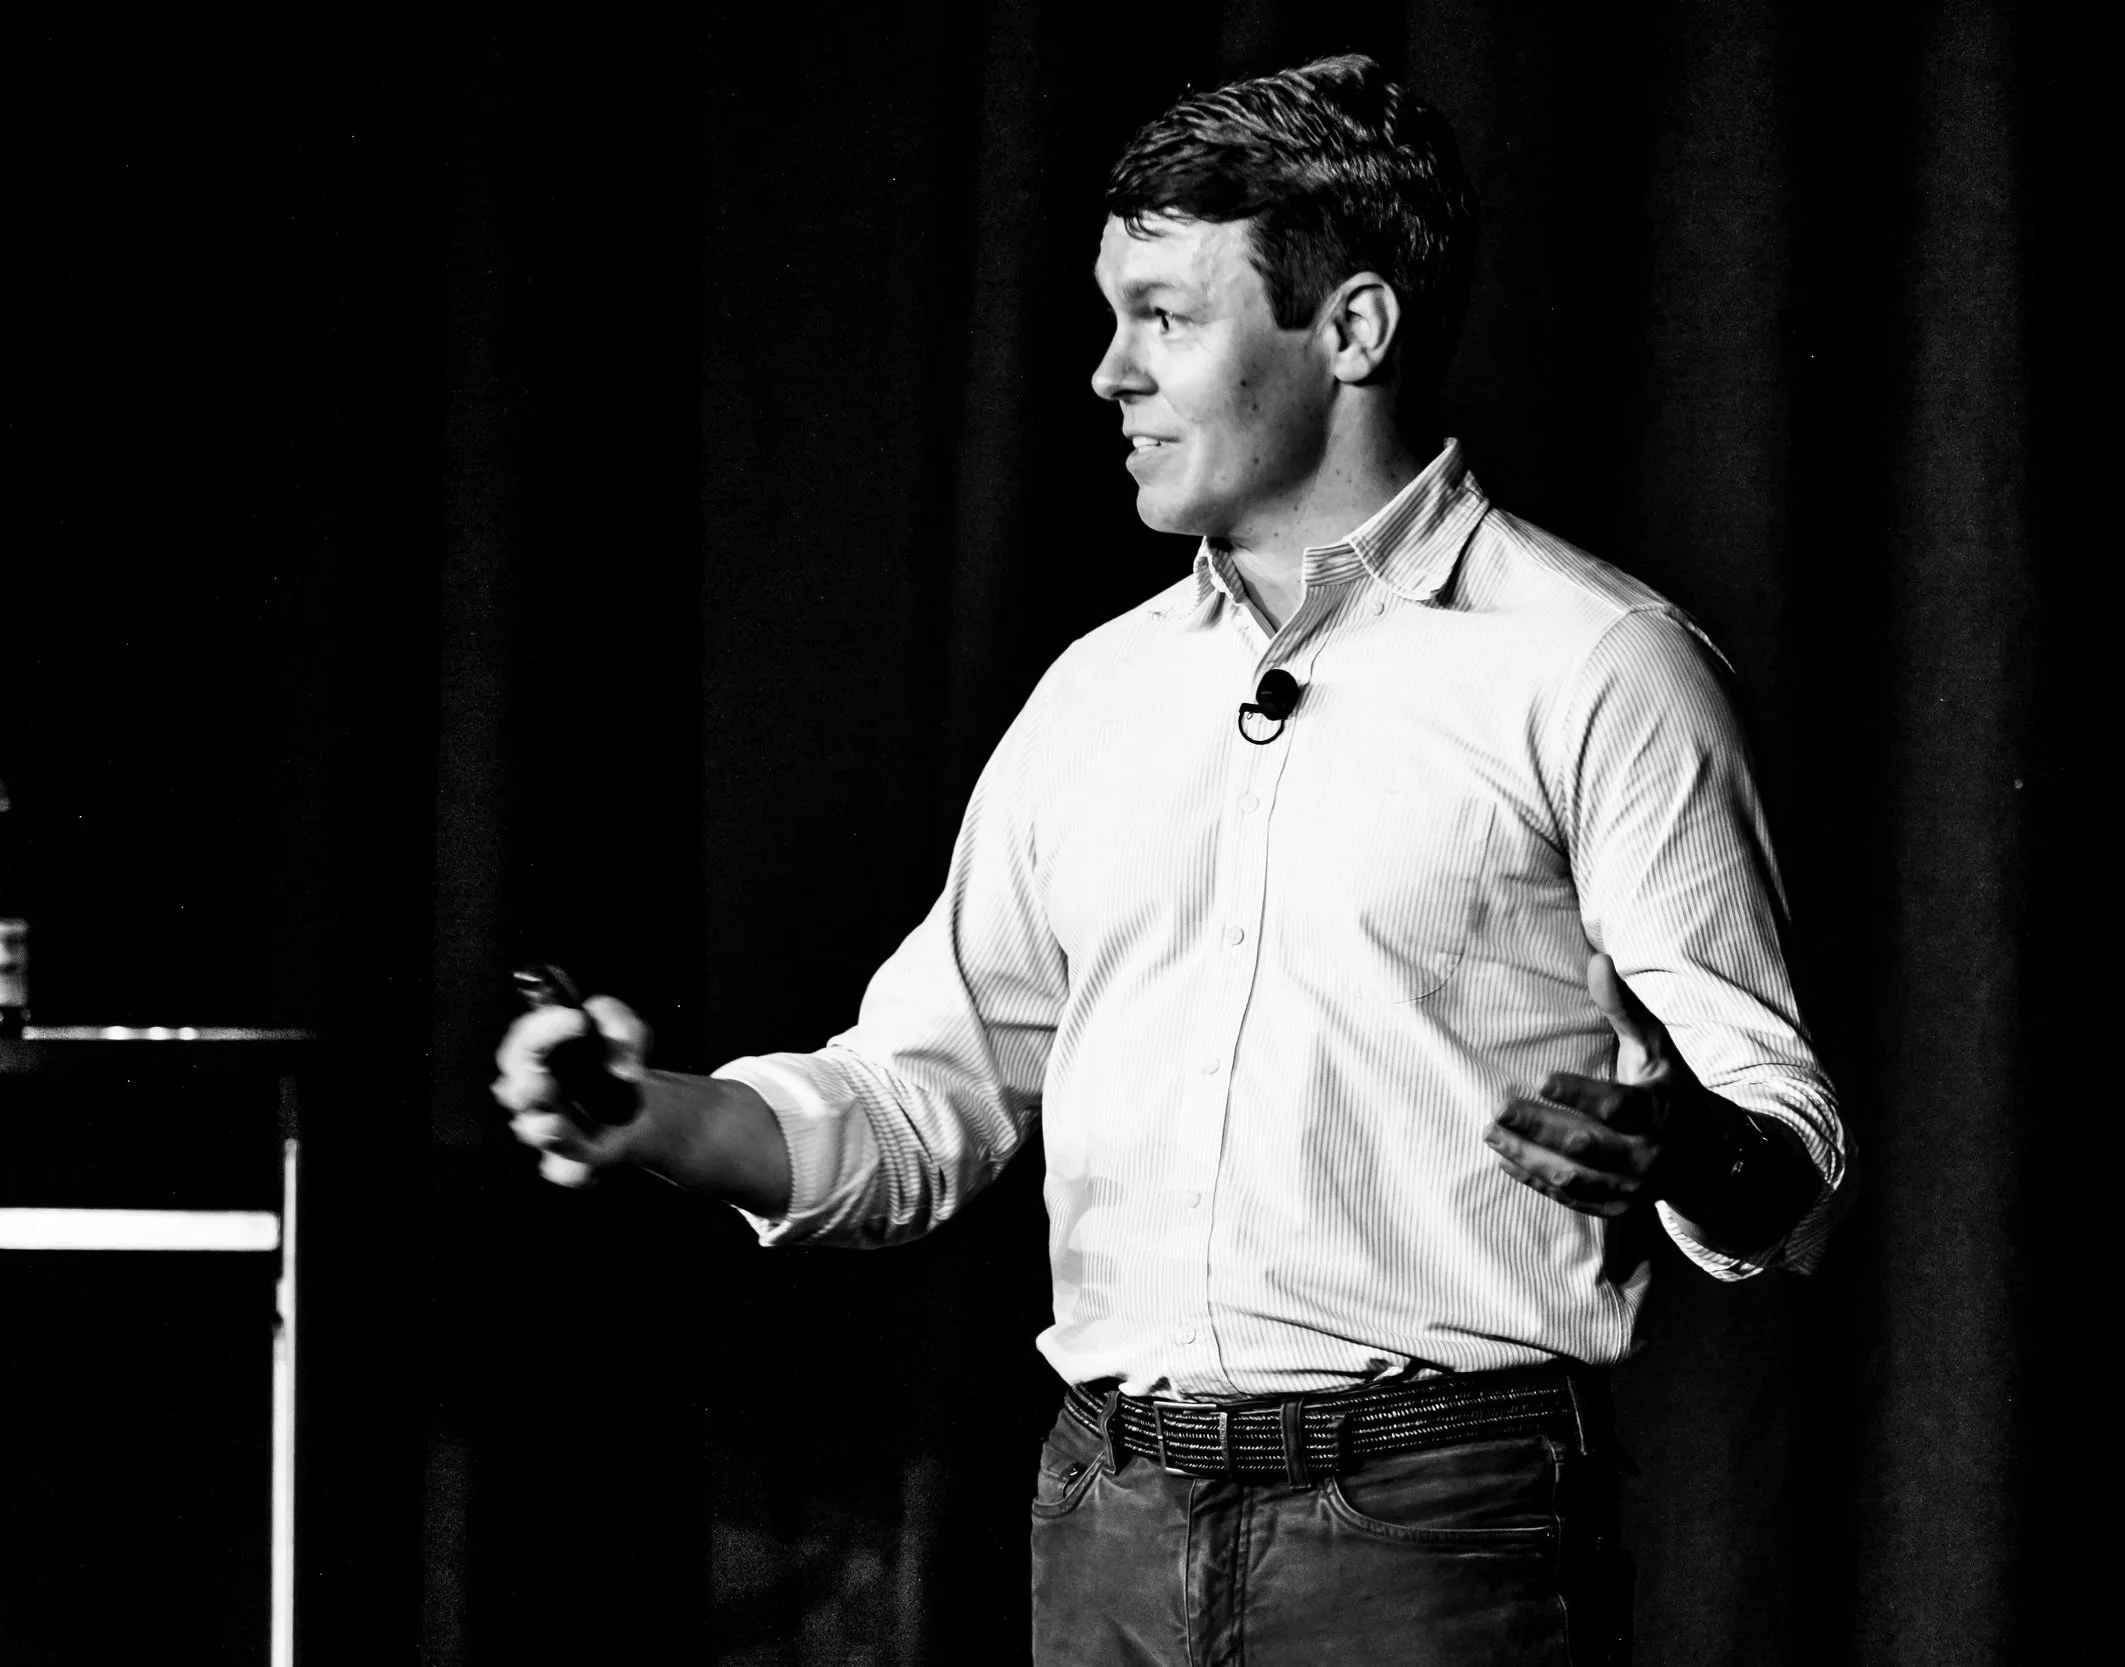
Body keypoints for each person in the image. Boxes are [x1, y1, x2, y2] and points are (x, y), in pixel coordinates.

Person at [494, 53, 1847, 1666]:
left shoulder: (1594, 663)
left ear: (1353, 330)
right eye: (1109, 316)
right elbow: (919, 1102)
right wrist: (648, 1115)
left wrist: (1686, 1143)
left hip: (1432, 1521)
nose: (1107, 373)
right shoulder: (1099, 694)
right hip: (1111, 1517)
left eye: (1164, 316)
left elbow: (1787, 1145)